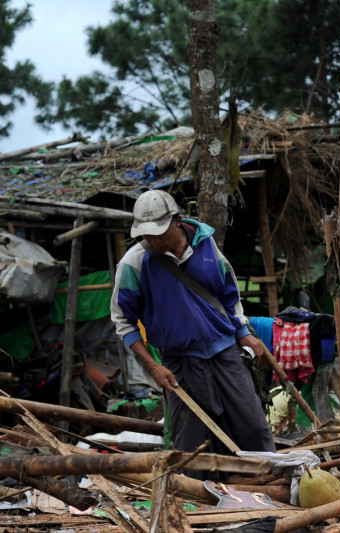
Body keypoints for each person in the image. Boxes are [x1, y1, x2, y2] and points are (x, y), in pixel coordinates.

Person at [110, 189, 275, 464]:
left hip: (224, 350)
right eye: (147, 234)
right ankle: (199, 498)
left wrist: (243, 332)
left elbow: (228, 293)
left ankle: (272, 483)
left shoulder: (206, 245)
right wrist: (153, 366)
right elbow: (123, 321)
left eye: (160, 232)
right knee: (192, 442)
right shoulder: (133, 263)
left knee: (252, 423)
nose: (153, 240)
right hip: (178, 361)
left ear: (177, 220)